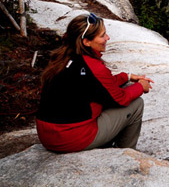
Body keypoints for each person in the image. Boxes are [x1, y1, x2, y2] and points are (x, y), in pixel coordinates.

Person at [36, 12, 153, 153]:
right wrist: (141, 86)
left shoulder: (61, 58)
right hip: (71, 138)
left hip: (48, 135)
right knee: (136, 104)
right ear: (86, 42)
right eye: (102, 35)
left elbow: (98, 85)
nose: (107, 38)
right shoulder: (93, 66)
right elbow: (121, 99)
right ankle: (125, 155)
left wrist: (126, 77)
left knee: (124, 89)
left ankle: (107, 144)